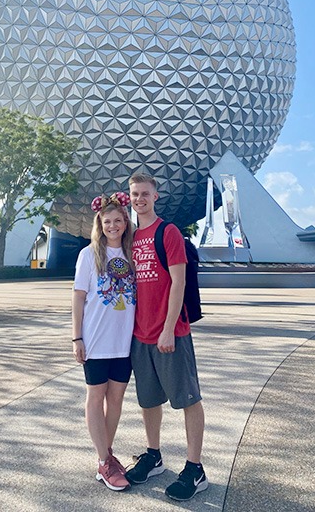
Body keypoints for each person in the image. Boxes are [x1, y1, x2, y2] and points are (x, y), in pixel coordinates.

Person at [125, 173, 208, 501]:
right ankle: (154, 454)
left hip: (170, 332)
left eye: (145, 193)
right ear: (129, 197)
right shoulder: (132, 238)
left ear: (155, 196)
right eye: (134, 194)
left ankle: (195, 468)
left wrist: (169, 327)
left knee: (188, 398)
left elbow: (178, 281)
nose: (139, 199)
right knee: (148, 400)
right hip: (139, 334)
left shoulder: (167, 232)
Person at [72, 192, 136, 491]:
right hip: (96, 340)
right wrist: (77, 337)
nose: (113, 225)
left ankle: (106, 456)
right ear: (100, 223)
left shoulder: (132, 254)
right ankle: (103, 460)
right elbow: (79, 297)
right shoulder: (89, 254)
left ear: (126, 222)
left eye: (118, 220)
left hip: (124, 341)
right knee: (96, 398)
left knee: (116, 400)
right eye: (107, 221)